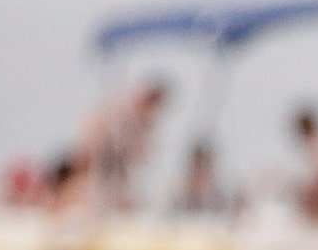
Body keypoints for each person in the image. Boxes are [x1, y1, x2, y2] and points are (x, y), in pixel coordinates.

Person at [78, 77, 169, 212]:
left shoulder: (144, 119)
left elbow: (142, 150)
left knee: (119, 193)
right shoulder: (122, 110)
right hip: (105, 154)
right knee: (101, 191)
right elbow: (95, 136)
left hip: (118, 161)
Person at [169, 139, 230, 218]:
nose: (201, 172)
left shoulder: (219, 199)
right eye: (198, 167)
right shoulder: (180, 198)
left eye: (204, 167)